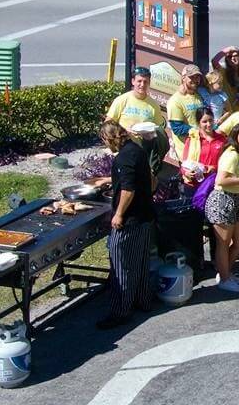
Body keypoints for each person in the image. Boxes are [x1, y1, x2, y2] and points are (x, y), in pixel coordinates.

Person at [96, 120, 155, 329]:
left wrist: (119, 214)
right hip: (146, 215)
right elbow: (150, 178)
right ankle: (143, 300)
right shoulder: (136, 150)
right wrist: (110, 180)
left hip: (129, 220)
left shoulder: (123, 157)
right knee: (140, 261)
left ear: (109, 138)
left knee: (120, 263)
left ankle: (120, 311)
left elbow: (128, 189)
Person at [205, 123, 239, 293]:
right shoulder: (231, 154)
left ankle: (225, 272)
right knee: (223, 243)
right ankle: (225, 279)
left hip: (237, 199)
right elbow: (221, 180)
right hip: (223, 199)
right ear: (236, 136)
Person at [106, 66, 166, 131]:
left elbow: (159, 128)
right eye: (139, 81)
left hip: (145, 140)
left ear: (149, 83)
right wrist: (124, 131)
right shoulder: (121, 100)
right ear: (133, 81)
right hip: (124, 139)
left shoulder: (154, 105)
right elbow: (108, 124)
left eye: (145, 82)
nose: (142, 85)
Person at [167, 64, 206, 157]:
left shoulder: (199, 95)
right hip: (187, 152)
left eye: (197, 77)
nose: (195, 80)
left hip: (202, 148)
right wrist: (199, 132)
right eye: (191, 77)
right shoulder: (175, 100)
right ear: (183, 78)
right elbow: (177, 128)